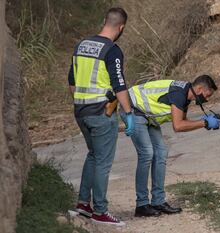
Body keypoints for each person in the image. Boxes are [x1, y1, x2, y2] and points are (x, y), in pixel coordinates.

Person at [68, 7, 134, 226]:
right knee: (103, 162)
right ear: (121, 27)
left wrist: (81, 102)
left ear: (104, 21)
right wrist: (128, 113)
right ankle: (100, 211)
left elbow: (72, 80)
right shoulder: (112, 50)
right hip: (101, 113)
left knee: (93, 155)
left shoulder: (81, 45)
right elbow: (119, 84)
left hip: (81, 111)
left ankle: (83, 205)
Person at [121, 75, 220, 217]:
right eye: (207, 94)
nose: (207, 99)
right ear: (199, 89)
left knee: (161, 152)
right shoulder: (179, 94)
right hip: (132, 109)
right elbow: (178, 126)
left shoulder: (185, 95)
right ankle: (142, 205)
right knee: (147, 154)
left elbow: (183, 121)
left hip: (147, 116)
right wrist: (204, 123)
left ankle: (158, 201)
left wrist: (203, 122)